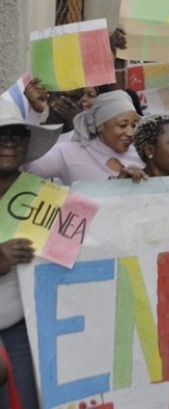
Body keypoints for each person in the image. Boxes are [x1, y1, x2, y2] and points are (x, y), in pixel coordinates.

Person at [0, 101, 62, 408]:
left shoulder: (45, 196)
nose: (9, 144)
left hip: (23, 334)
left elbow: (97, 243)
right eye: (1, 136)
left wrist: (127, 188)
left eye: (17, 135)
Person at [24, 90, 145, 184]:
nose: (130, 132)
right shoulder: (68, 153)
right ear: (101, 125)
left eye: (134, 125)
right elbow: (29, 169)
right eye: (123, 125)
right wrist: (35, 114)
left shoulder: (143, 151)